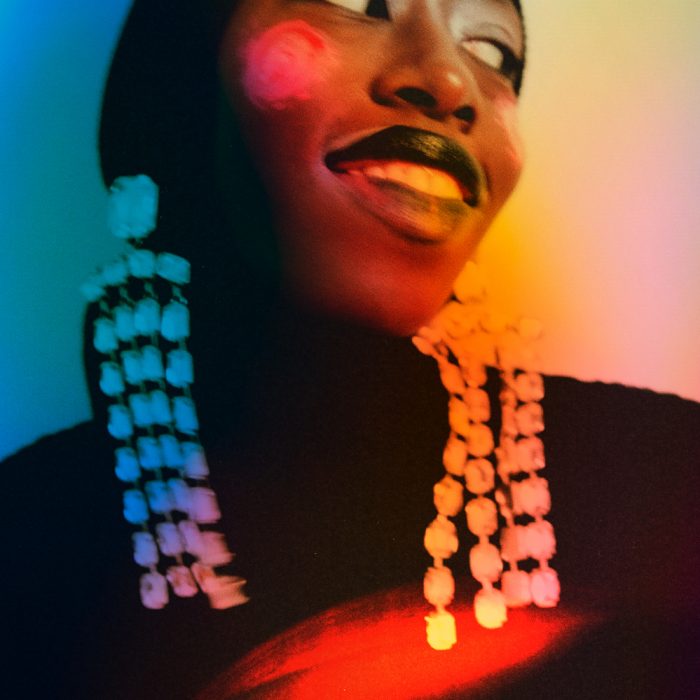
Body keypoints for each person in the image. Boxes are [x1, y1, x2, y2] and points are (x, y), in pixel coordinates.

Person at [4, 1, 699, 698]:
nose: (449, 81)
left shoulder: (668, 479)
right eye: (355, 5)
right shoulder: (33, 538)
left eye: (491, 52)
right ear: (178, 79)